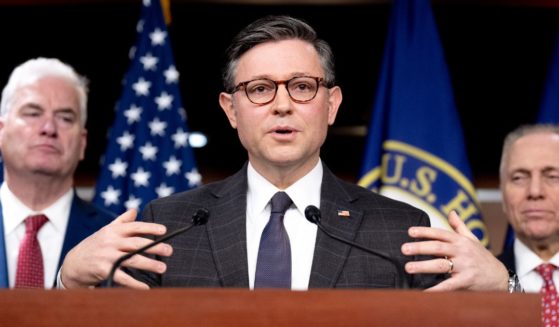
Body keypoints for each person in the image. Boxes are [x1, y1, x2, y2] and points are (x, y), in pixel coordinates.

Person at [59, 15, 510, 291]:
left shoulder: (400, 229)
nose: (281, 103)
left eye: (301, 86)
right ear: (230, 110)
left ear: (331, 104)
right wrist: (68, 282)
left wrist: (505, 289)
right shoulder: (168, 224)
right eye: (258, 89)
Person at [0, 57, 115, 289]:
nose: (49, 128)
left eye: (65, 118)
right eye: (33, 113)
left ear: (82, 143)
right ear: (1, 131)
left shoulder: (114, 239)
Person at [498, 124, 559, 290]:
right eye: (519, 178)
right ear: (503, 192)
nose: (535, 191)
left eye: (553, 177)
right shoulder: (478, 288)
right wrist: (507, 284)